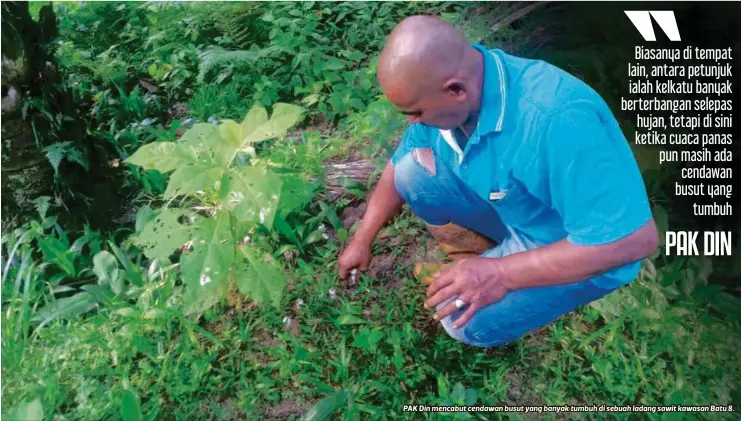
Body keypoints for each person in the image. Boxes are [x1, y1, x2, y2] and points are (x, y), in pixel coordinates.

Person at [337, 15, 659, 348]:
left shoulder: (557, 120)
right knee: (411, 173)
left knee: (457, 318)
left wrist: (502, 274)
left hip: (574, 247)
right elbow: (395, 165)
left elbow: (634, 241)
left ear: (456, 90)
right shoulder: (454, 96)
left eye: (415, 113)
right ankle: (483, 260)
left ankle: (500, 276)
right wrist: (362, 238)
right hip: (518, 210)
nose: (412, 122)